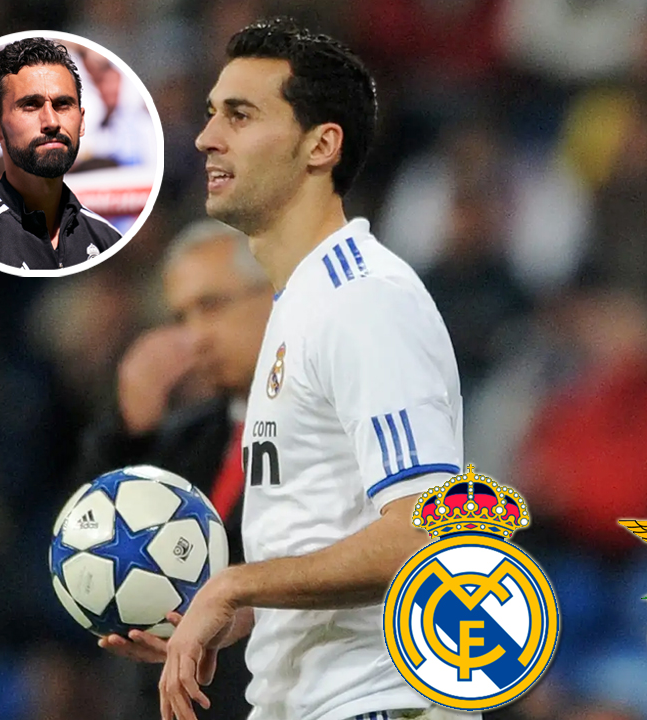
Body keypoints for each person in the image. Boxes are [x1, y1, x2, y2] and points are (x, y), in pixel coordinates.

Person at [99, 18, 470, 720]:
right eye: (211, 113)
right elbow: (324, 530)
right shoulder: (298, 305)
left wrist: (235, 585)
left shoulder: (364, 298)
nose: (206, 137)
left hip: (380, 703)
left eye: (240, 115)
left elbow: (431, 534)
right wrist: (232, 615)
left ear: (320, 146)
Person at [85, 219, 272, 720]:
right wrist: (131, 429)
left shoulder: (331, 422)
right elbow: (89, 540)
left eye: (210, 306)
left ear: (276, 292)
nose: (194, 337)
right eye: (180, 317)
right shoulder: (182, 440)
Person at [0, 37, 121, 270]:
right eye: (30, 105)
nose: (51, 121)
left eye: (62, 104)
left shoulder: (107, 239)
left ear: (82, 122)